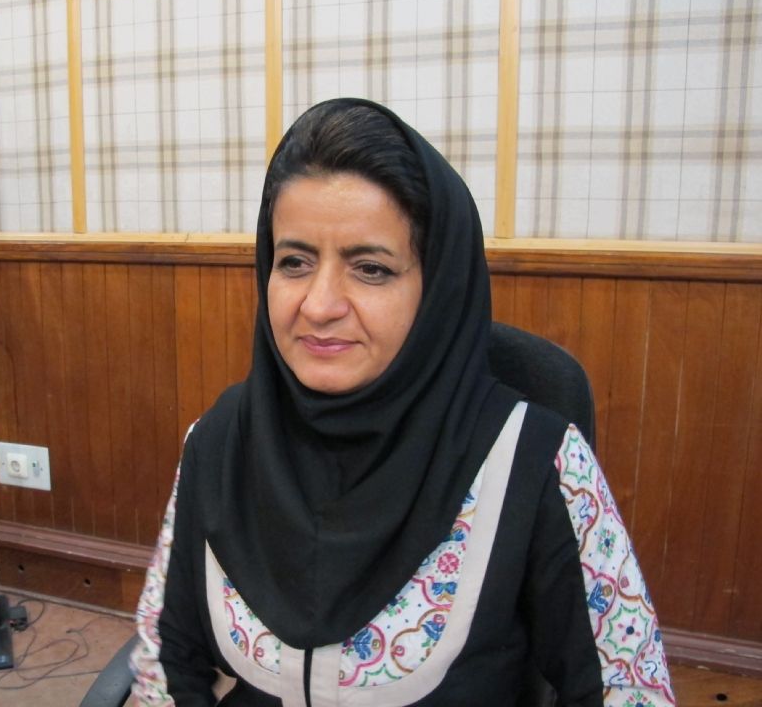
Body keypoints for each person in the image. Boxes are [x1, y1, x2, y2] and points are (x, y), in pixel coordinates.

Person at [129, 98, 675, 706]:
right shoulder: (219, 442)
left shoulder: (535, 462)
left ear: (436, 288)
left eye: (371, 269)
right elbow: (165, 655)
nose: (319, 305)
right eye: (295, 262)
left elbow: (628, 688)